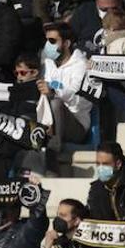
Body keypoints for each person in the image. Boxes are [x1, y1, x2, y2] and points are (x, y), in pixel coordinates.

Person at [40, 22, 92, 152]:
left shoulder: (81, 65)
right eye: (46, 41)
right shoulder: (47, 64)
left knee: (56, 103)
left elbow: (79, 100)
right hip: (48, 120)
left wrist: (53, 91)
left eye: (52, 41)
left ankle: (52, 152)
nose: (48, 45)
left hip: (76, 123)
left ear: (66, 43)